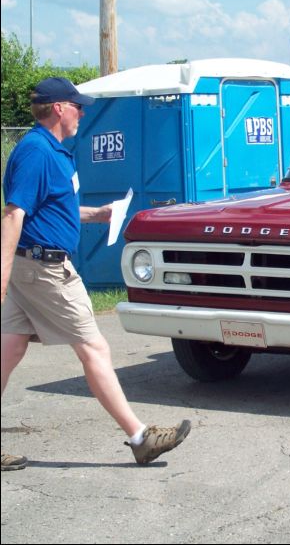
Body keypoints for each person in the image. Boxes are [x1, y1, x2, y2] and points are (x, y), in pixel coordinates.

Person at [1, 77, 190, 471]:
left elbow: (48, 209)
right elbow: (14, 214)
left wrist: (98, 214)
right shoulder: (37, 151)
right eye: (77, 106)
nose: (82, 113)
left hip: (31, 267)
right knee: (95, 349)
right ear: (58, 109)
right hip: (45, 270)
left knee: (9, 349)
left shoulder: (52, 151)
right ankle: (141, 438)